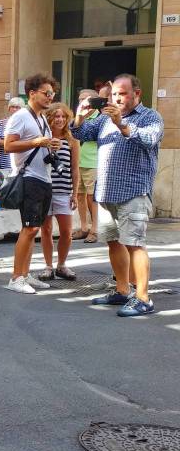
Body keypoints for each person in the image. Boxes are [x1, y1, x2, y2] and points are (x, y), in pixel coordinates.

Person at [71, 74, 163, 317]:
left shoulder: (150, 117)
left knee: (134, 243)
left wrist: (122, 124)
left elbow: (149, 139)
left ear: (137, 93)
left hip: (134, 191)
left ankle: (143, 297)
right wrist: (79, 117)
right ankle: (122, 290)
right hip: (107, 191)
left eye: (122, 93)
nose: (117, 98)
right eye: (113, 94)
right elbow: (81, 134)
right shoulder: (104, 119)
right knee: (113, 242)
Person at [3, 73, 59, 294]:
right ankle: (16, 278)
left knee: (34, 228)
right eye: (46, 93)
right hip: (29, 178)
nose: (49, 97)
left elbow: (39, 144)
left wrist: (49, 145)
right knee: (29, 228)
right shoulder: (20, 116)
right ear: (32, 93)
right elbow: (8, 145)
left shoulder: (41, 118)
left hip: (43, 177)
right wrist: (38, 141)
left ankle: (25, 274)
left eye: (52, 94)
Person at [35, 102, 80, 282]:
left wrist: (75, 193)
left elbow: (75, 169)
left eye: (63, 116)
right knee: (46, 229)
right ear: (50, 118)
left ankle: (61, 264)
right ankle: (48, 266)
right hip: (45, 190)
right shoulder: (43, 139)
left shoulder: (72, 140)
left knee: (66, 232)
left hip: (64, 191)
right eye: (56, 116)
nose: (60, 120)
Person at [73, 88, 102, 243]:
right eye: (79, 99)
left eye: (85, 99)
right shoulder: (78, 117)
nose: (82, 102)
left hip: (93, 162)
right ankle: (84, 227)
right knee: (79, 195)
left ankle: (95, 229)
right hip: (79, 162)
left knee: (93, 197)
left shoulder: (100, 118)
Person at [0, 97, 24, 170]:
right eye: (13, 107)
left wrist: (9, 143)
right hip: (4, 161)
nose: (15, 109)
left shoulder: (25, 124)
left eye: (18, 107)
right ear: (9, 108)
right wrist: (13, 143)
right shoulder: (2, 123)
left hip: (20, 161)